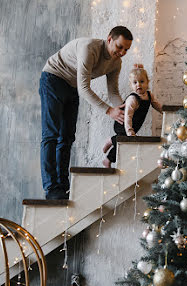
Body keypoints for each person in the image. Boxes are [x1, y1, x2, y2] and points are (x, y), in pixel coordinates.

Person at [39, 26, 133, 200]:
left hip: (72, 86)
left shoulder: (116, 63)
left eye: (126, 49)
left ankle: (63, 188)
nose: (122, 52)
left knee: (67, 137)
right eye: (120, 47)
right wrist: (108, 110)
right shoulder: (90, 48)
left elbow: (113, 92)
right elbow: (84, 88)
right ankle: (51, 188)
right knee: (51, 135)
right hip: (53, 79)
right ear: (109, 39)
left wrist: (125, 112)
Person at [102, 64, 162, 167]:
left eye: (142, 81)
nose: (138, 85)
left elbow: (157, 105)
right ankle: (109, 153)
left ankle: (111, 143)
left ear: (147, 82)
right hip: (123, 123)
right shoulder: (133, 99)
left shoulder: (149, 95)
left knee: (123, 144)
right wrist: (130, 132)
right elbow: (128, 117)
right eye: (135, 82)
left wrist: (164, 111)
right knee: (124, 142)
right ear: (131, 85)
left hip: (134, 124)